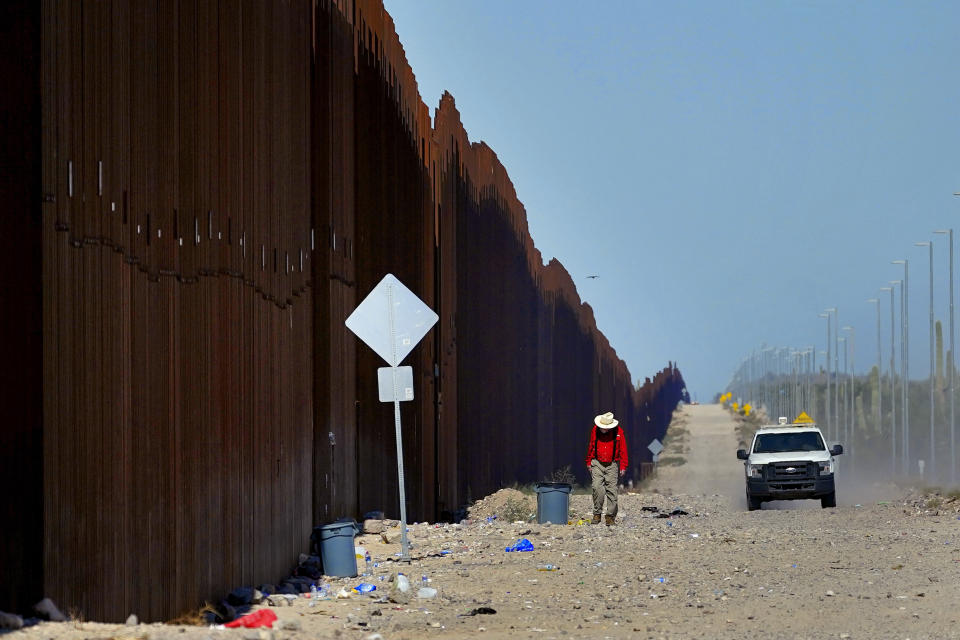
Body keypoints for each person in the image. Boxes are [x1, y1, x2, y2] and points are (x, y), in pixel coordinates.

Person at [584, 411, 628, 525]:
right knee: (597, 487)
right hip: (597, 462)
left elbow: (623, 450)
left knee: (612, 490)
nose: (603, 429)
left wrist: (623, 466)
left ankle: (610, 517)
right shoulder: (595, 430)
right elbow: (591, 446)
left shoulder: (619, 432)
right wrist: (588, 461)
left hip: (612, 464)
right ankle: (597, 514)